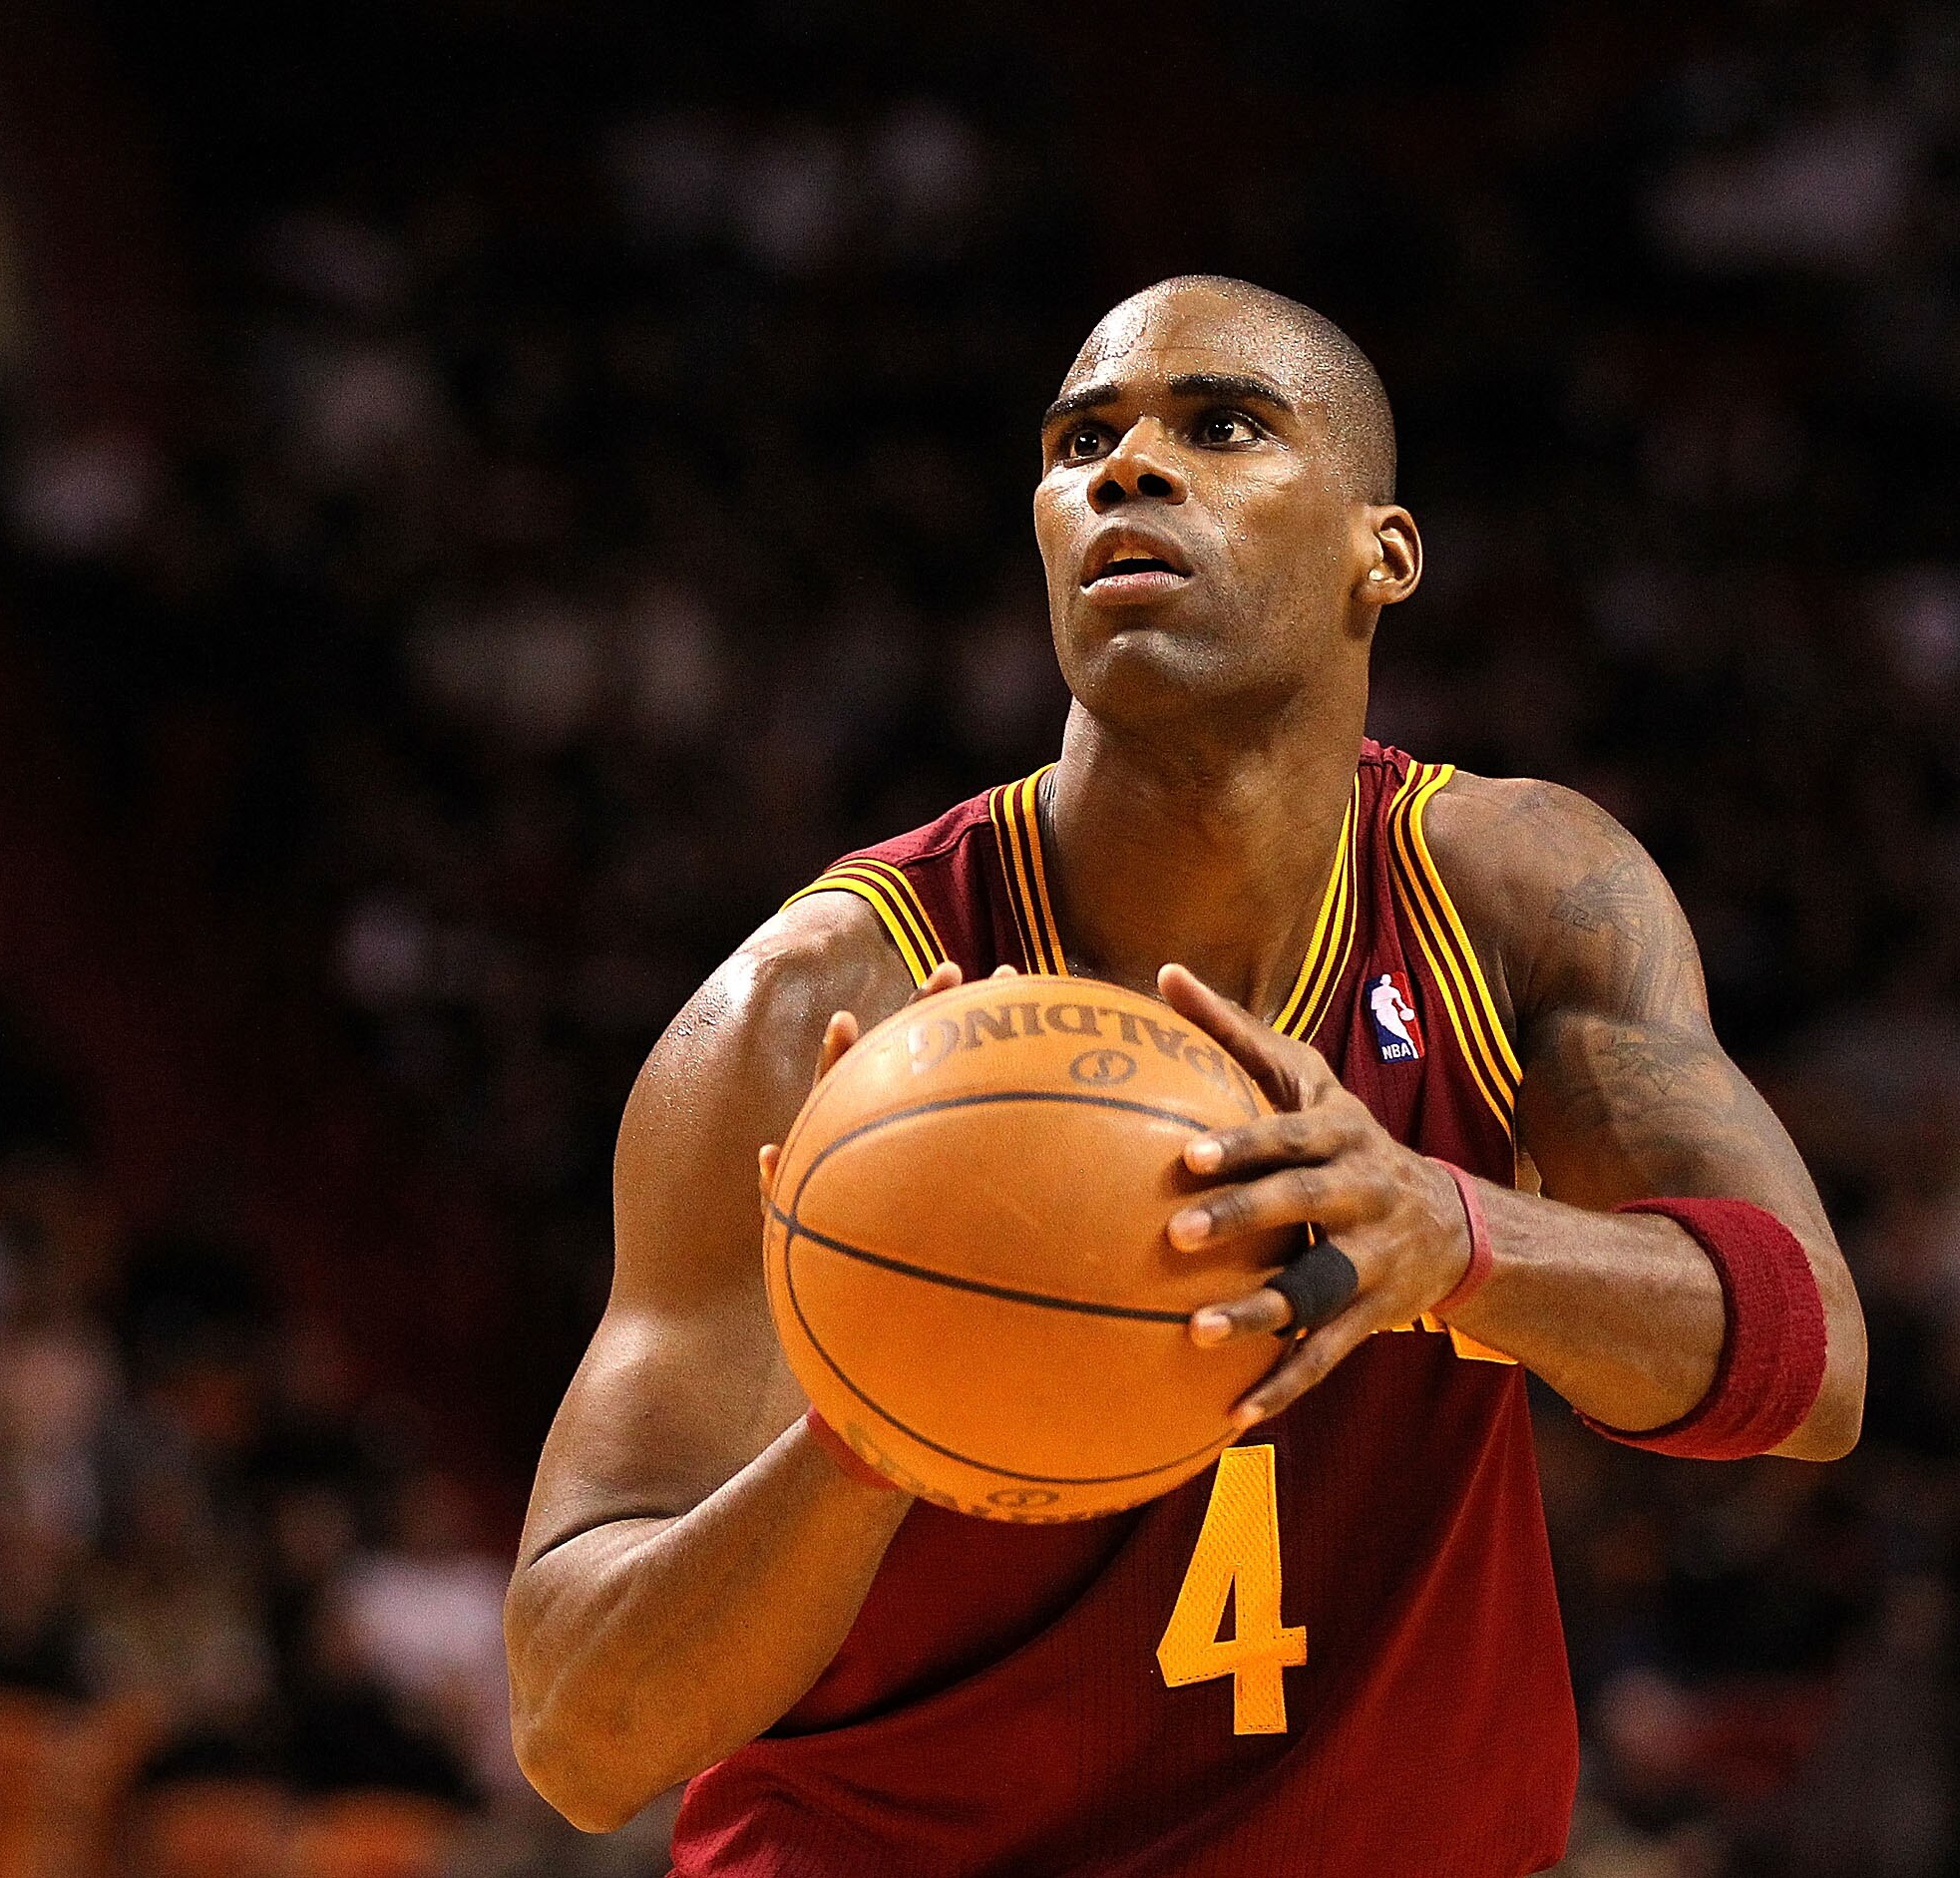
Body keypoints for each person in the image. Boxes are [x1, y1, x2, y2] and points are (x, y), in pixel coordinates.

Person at [503, 276, 1868, 1875]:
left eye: (1220, 426)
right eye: (1083, 441)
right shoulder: (817, 1007)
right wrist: (873, 1420)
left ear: (1385, 552)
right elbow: (579, 1735)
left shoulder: (1511, 897)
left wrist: (1452, 1233)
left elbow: (1816, 1370)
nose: (1126, 470)